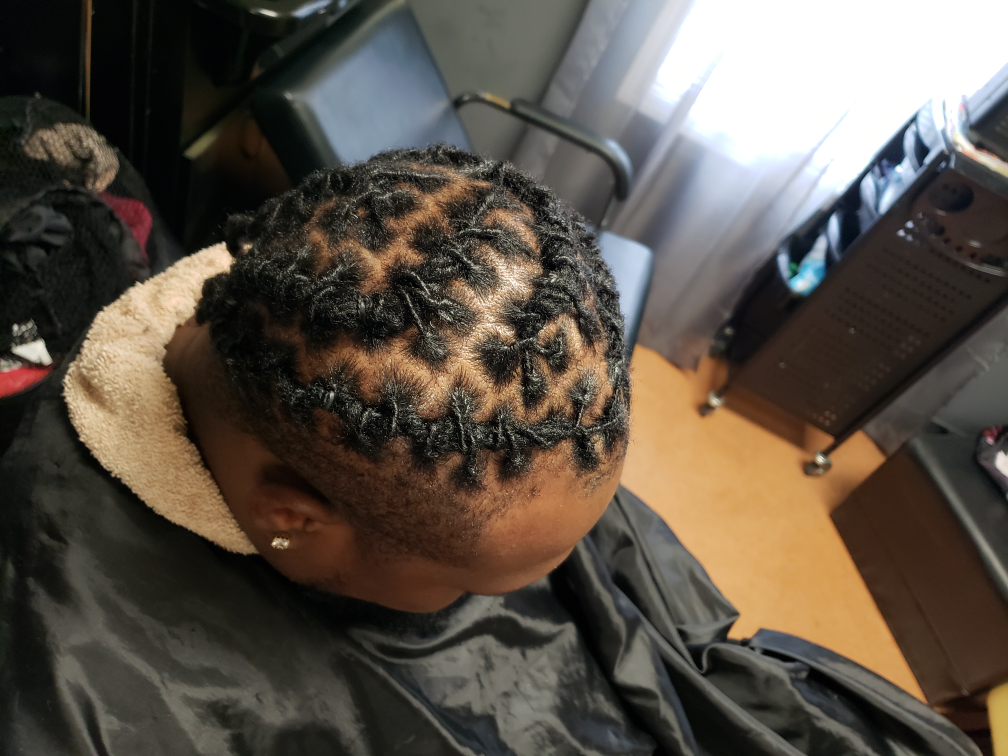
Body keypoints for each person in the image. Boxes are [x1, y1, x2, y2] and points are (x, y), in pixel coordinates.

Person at [0, 146, 979, 755]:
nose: (565, 582)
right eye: (495, 581)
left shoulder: (416, 389)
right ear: (291, 520)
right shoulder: (67, 679)